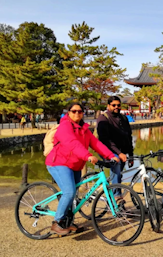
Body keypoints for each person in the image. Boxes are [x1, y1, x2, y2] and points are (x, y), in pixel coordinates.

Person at [46, 102, 119, 236]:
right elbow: (72, 143)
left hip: (75, 165)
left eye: (80, 111)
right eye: (74, 111)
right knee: (69, 192)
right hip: (58, 163)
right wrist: (88, 155)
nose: (77, 113)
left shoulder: (84, 129)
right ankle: (57, 222)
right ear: (68, 112)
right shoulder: (65, 126)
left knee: (73, 194)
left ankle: (67, 222)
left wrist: (110, 155)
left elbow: (96, 143)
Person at [96, 96, 134, 199]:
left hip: (121, 150)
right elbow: (105, 140)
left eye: (118, 105)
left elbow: (128, 136)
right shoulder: (103, 118)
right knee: (116, 165)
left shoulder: (123, 118)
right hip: (107, 150)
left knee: (118, 174)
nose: (116, 107)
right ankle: (117, 198)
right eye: (113, 105)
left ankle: (112, 198)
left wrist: (131, 155)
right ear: (108, 106)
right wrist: (119, 153)